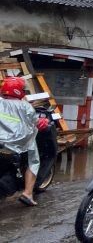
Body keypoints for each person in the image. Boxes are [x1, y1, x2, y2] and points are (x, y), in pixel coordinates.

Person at [0, 76, 40, 206]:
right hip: (17, 144)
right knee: (33, 160)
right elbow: (35, 122)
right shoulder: (25, 106)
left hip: (2, 143)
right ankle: (28, 193)